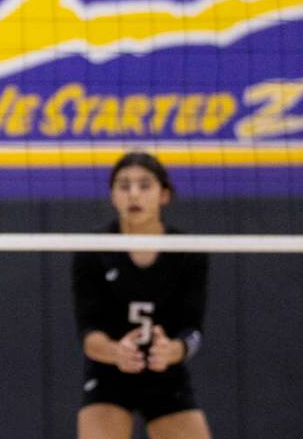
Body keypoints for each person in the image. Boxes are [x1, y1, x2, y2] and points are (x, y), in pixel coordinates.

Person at [72, 151, 211, 439]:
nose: (133, 194)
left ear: (164, 195)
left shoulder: (188, 251)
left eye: (144, 185)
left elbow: (193, 330)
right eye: (123, 186)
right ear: (112, 195)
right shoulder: (92, 248)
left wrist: (173, 350)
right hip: (109, 372)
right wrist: (115, 352)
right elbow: (88, 334)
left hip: (166, 374)